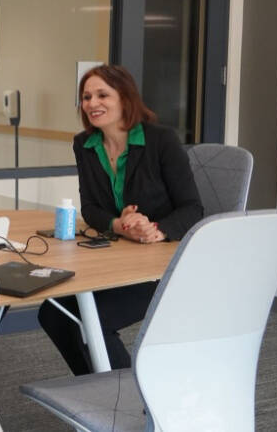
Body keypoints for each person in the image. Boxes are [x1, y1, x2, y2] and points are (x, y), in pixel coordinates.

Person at [37, 64, 203, 375]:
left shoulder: (160, 140)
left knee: (91, 319)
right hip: (122, 258)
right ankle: (100, 392)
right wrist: (119, 225)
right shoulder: (85, 145)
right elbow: (91, 208)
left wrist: (156, 230)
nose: (92, 103)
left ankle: (129, 401)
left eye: (102, 94)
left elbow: (193, 208)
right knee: (54, 313)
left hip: (163, 267)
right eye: (86, 97)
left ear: (125, 98)